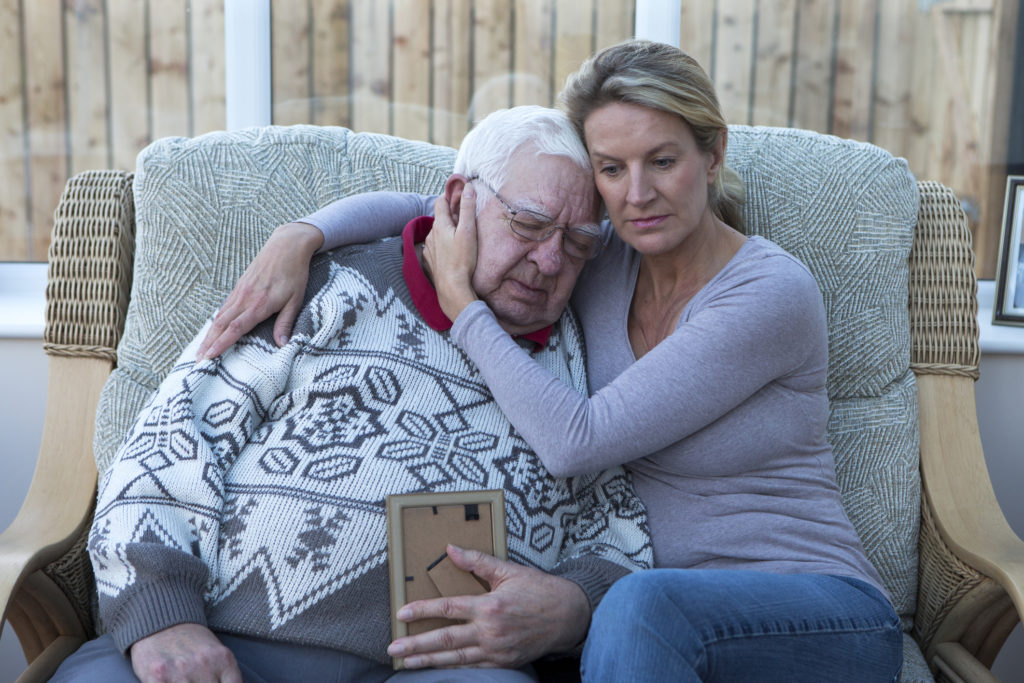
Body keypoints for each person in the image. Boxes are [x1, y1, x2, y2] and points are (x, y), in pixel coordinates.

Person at [198, 40, 904, 682]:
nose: (637, 194)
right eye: (612, 169)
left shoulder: (768, 293)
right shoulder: (599, 253)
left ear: (712, 154)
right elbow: (445, 202)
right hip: (653, 632)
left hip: (816, 611)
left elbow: (578, 440)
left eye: (662, 160)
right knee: (621, 618)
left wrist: (461, 303)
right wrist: (304, 233)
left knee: (636, 607)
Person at [51, 106, 653, 683]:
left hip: (448, 666)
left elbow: (623, 538)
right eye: (528, 224)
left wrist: (574, 606)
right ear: (456, 201)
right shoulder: (324, 288)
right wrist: (163, 617)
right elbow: (165, 444)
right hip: (224, 641)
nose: (550, 262)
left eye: (577, 244)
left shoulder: (586, 354)